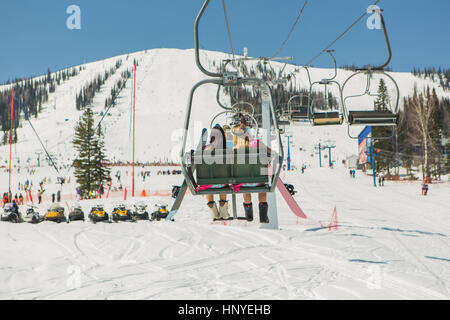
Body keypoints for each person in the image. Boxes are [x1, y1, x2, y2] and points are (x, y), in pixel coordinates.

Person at [232, 119, 270, 224]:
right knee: (262, 186)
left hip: (243, 181)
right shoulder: (256, 143)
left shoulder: (234, 148)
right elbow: (271, 152)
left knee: (245, 184)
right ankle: (263, 215)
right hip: (259, 180)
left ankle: (248, 211)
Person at [201, 125, 231, 221]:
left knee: (208, 181)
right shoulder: (227, 150)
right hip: (222, 183)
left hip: (208, 183)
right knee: (223, 179)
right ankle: (223, 210)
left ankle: (213, 212)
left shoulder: (205, 149)